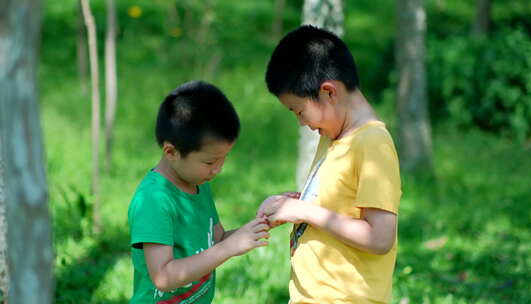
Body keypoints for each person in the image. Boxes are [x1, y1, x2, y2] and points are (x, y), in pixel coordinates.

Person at [257, 25, 402, 304]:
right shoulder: (333, 137)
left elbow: (380, 237)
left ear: (328, 92)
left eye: (299, 111)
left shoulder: (373, 144)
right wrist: (294, 205)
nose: (301, 122)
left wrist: (306, 211)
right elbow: (339, 206)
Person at [128, 81, 270, 304]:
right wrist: (227, 249)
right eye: (210, 161)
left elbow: (218, 239)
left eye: (223, 160)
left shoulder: (198, 183)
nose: (218, 169)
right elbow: (163, 276)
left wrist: (262, 224)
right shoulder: (154, 201)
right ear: (171, 152)